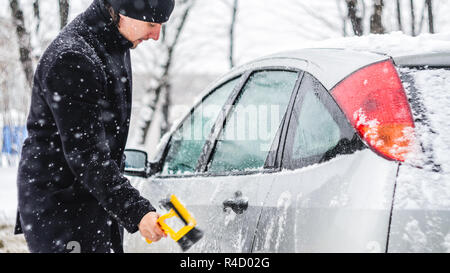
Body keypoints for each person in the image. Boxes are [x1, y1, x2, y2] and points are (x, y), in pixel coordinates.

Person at [14, 0, 175, 253]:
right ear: (122, 11)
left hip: (93, 201)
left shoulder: (114, 44)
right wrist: (137, 212)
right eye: (152, 24)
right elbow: (86, 154)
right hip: (62, 208)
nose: (155, 35)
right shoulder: (73, 57)